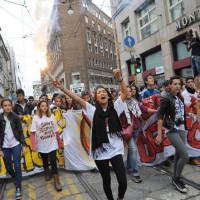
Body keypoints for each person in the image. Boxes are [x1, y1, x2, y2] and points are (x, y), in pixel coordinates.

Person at [51, 69, 128, 200]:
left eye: (104, 91)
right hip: (100, 152)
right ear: (96, 98)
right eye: (99, 92)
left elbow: (125, 93)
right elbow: (76, 98)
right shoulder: (92, 110)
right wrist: (62, 88)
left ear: (108, 95)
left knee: (123, 181)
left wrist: (119, 78)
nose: (102, 93)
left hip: (115, 151)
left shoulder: (116, 107)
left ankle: (120, 198)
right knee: (106, 180)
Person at [157, 75, 193, 193]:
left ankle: (175, 178)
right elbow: (159, 114)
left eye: (179, 84)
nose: (177, 86)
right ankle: (178, 178)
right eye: (175, 84)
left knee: (178, 156)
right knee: (185, 156)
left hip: (181, 127)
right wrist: (159, 134)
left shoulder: (180, 98)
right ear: (170, 85)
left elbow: (179, 112)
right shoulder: (166, 98)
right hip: (171, 129)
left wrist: (187, 115)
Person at [123, 85, 157, 183]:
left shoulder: (136, 103)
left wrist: (157, 110)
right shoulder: (120, 104)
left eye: (130, 91)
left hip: (136, 129)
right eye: (127, 91)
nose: (129, 93)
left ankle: (129, 167)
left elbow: (145, 109)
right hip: (127, 131)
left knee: (131, 149)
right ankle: (135, 173)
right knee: (133, 150)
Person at [30, 100, 63, 191]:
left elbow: (55, 130)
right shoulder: (36, 118)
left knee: (53, 160)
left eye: (46, 106)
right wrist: (33, 145)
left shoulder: (52, 116)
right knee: (45, 159)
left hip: (52, 143)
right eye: (42, 106)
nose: (44, 107)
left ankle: (56, 181)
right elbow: (32, 132)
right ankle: (47, 172)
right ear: (39, 107)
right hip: (41, 143)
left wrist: (59, 142)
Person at [0, 98, 26, 200]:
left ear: (12, 105)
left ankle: (18, 187)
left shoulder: (15, 117)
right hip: (5, 146)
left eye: (9, 105)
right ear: (2, 107)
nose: (7, 107)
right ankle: (16, 177)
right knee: (8, 168)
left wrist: (23, 145)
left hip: (15, 144)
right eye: (5, 105)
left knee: (17, 166)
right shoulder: (0, 118)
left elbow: (20, 132)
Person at [182, 76, 200, 166]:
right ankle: (191, 157)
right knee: (188, 138)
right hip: (188, 119)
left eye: (191, 82)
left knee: (196, 137)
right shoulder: (183, 94)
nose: (190, 83)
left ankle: (195, 155)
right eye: (188, 82)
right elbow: (183, 107)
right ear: (186, 83)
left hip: (197, 118)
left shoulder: (196, 93)